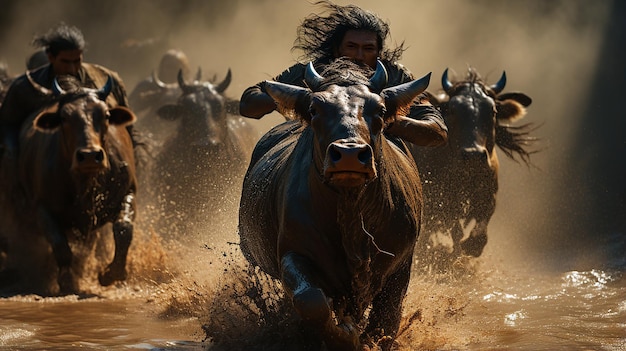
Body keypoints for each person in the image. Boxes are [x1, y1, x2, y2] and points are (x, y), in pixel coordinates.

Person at [239, 0, 447, 147]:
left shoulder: (396, 77)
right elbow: (248, 104)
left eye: (368, 49)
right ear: (337, 49)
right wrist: (297, 102)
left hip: (379, 164)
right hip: (309, 161)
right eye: (351, 46)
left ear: (378, 52)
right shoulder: (312, 72)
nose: (358, 55)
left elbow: (438, 130)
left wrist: (389, 120)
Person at [0, 22, 136, 158]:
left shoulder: (107, 79)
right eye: (65, 62)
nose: (71, 69)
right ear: (51, 57)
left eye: (77, 61)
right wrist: (13, 153)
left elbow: (127, 129)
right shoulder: (24, 87)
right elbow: (6, 124)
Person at [128, 48, 191, 117]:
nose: (172, 71)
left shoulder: (191, 90)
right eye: (169, 67)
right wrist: (147, 99)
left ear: (185, 69)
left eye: (176, 67)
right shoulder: (148, 85)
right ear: (162, 67)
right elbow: (128, 108)